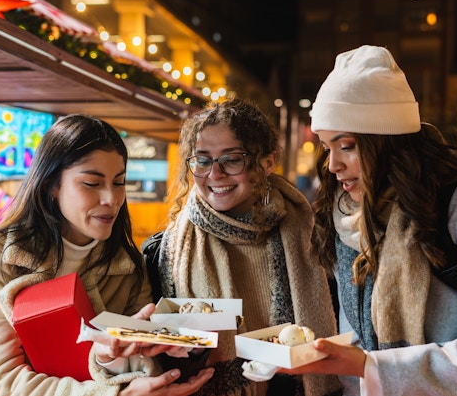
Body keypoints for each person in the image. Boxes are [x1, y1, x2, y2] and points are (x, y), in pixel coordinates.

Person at [0, 114, 214, 396]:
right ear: (51, 185)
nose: (111, 199)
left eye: (119, 182)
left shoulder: (128, 265)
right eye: (92, 184)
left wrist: (114, 358)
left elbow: (146, 366)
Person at [280, 45, 457, 395]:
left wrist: (371, 366)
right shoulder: (342, 216)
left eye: (348, 145)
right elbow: (355, 340)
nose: (332, 165)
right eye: (326, 147)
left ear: (386, 142)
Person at [146, 98, 343, 396]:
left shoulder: (315, 240)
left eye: (232, 159)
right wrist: (183, 346)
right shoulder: (165, 252)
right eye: (202, 160)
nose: (215, 174)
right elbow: (162, 361)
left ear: (267, 162)